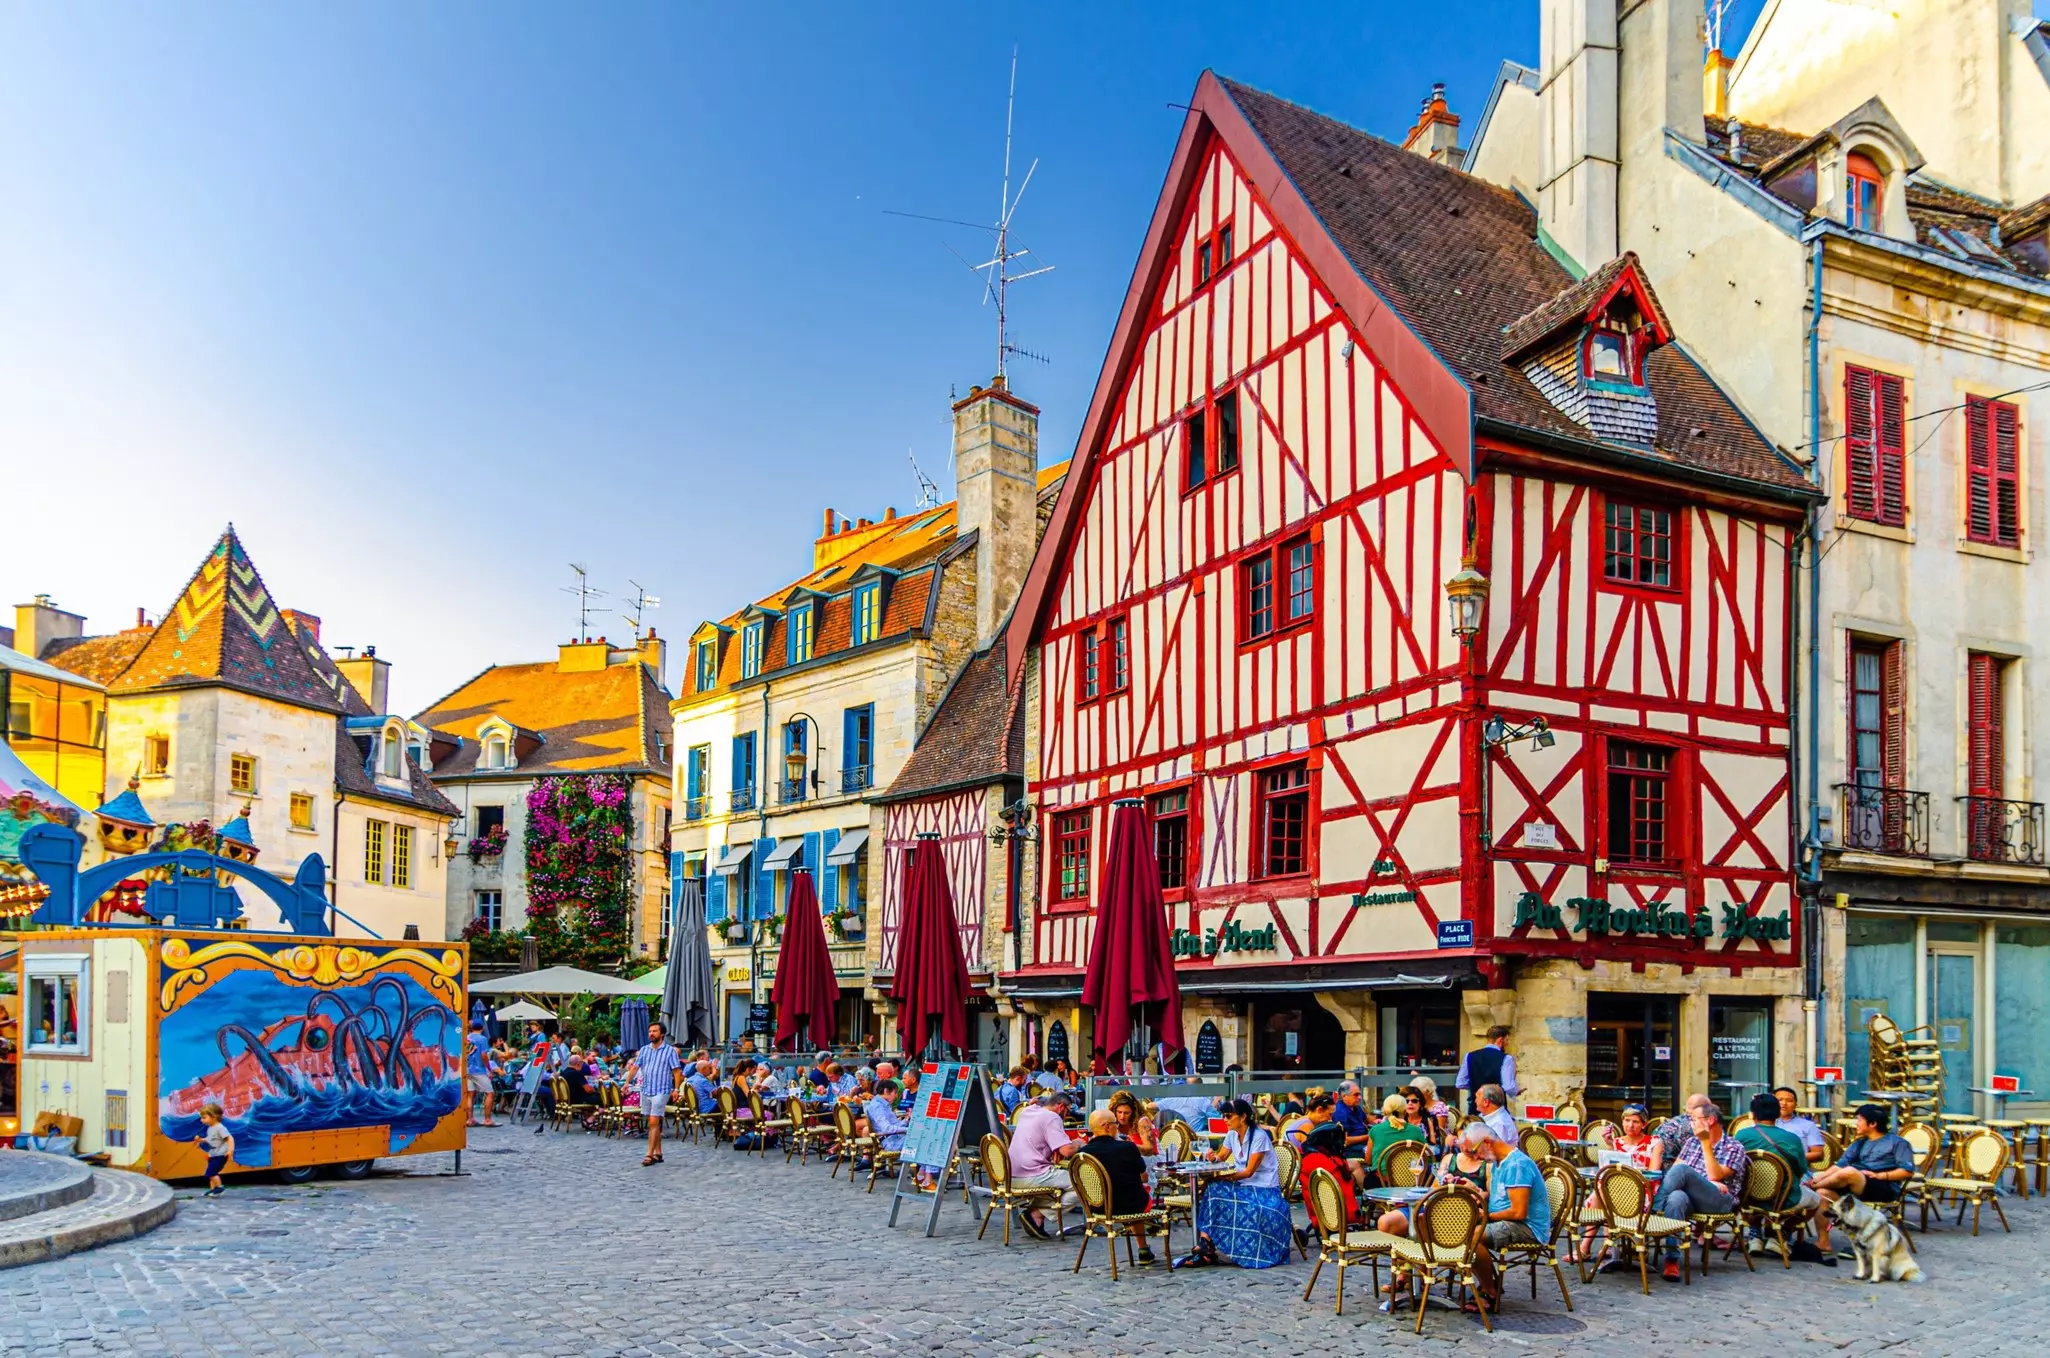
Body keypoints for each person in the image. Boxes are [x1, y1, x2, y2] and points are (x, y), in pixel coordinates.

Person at [1187, 1098, 1291, 1269]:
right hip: (1244, 1185)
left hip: (1263, 1188)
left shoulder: (1259, 1136)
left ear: (1242, 1117)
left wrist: (1223, 1177)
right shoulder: (1232, 1135)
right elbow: (1221, 1157)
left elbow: (1249, 1171)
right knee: (1212, 1188)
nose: (1225, 1120)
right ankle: (1206, 1242)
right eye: (1224, 1116)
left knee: (1214, 1187)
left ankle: (1207, 1245)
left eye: (1228, 1116)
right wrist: (1213, 1158)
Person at [1652, 1098, 1747, 1281]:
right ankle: (1672, 1261)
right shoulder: (1691, 1142)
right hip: (1692, 1197)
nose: (1690, 1123)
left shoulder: (1734, 1147)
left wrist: (1705, 1143)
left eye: (1694, 1119)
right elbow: (1674, 1175)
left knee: (1682, 1170)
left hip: (1719, 1201)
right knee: (1677, 1198)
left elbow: (1714, 1176)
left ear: (1709, 1120)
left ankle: (1654, 1209)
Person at [1812, 1103, 1917, 1263]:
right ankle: (1823, 1242)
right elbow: (1839, 1165)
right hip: (1854, 1183)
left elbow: (1907, 1171)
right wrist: (1817, 1180)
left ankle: (1812, 1188)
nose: (1856, 1123)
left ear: (1873, 1124)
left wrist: (1881, 1175)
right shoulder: (1860, 1143)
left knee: (1850, 1172)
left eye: (1859, 1120)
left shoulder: (1898, 1143)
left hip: (1883, 1186)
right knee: (1822, 1194)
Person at [1463, 1123, 1550, 1310]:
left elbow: (1518, 1212)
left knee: (1471, 1237)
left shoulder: (1517, 1164)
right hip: (1506, 1220)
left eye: (1474, 1152)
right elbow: (1500, 1196)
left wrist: (1485, 1215)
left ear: (1486, 1142)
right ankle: (1489, 1281)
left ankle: (1489, 1289)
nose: (1475, 1158)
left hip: (1527, 1226)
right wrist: (1479, 1193)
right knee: (1457, 1230)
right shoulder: (1497, 1162)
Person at [1735, 1092, 1817, 1250]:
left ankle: (1755, 1235)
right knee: (1816, 1201)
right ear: (1778, 1113)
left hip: (1748, 1198)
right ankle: (1781, 1234)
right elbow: (1800, 1170)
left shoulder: (1741, 1135)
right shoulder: (1792, 1138)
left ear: (1752, 1114)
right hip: (1783, 1199)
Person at [1079, 1107, 1158, 1263]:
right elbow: (1143, 1177)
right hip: (1128, 1206)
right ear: (1107, 1126)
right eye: (1115, 1123)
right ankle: (1143, 1247)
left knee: (1131, 1192)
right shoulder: (1127, 1148)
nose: (1118, 1126)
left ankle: (1143, 1249)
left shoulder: (1082, 1153)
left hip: (1097, 1208)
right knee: (1136, 1193)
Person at [1008, 1092, 1082, 1239]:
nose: (1067, 1115)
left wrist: (1052, 1148)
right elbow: (1067, 1151)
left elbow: (1033, 1103)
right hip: (1032, 1174)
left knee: (1060, 1179)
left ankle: (1033, 1212)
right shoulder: (1052, 1117)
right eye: (1068, 1110)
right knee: (1083, 1182)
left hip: (1011, 1173)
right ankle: (1036, 1214)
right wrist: (1080, 1142)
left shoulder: (1028, 1111)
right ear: (1061, 1106)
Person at [1295, 1093, 1360, 1228]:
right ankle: (1361, 1203)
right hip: (1306, 1169)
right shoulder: (1307, 1127)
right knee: (1352, 1166)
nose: (1331, 1119)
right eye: (1329, 1114)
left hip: (1304, 1167)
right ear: (1319, 1110)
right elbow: (1312, 1151)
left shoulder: (1303, 1120)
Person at [634, 1022, 682, 1166]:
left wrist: (677, 1089)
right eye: (650, 1031)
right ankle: (658, 1152)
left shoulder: (670, 1051)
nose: (651, 1034)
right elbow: (636, 1067)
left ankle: (649, 1154)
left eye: (654, 1031)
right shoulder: (644, 1050)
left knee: (654, 1121)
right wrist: (626, 1083)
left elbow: (676, 1071)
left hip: (662, 1090)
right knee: (654, 1121)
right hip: (647, 1089)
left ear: (661, 1034)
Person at [1456, 1025, 1518, 1113]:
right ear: (1500, 1040)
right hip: (1496, 1110)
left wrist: (1475, 1085)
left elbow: (1460, 1083)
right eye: (1507, 1040)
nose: (1508, 1043)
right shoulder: (1506, 1058)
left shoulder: (1469, 1056)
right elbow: (1508, 1087)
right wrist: (1515, 1091)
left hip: (1475, 1110)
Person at [1367, 1093, 1426, 1179]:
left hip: (1382, 1182)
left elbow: (1368, 1160)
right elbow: (1425, 1157)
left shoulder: (1375, 1130)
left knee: (1367, 1179)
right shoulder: (1416, 1131)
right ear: (1405, 1111)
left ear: (1385, 1111)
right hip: (1410, 1181)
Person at [1774, 1086, 1828, 1164]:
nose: (1784, 1103)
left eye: (1789, 1100)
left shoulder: (1808, 1125)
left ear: (1796, 1105)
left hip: (1797, 1171)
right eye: (1780, 1100)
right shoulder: (1764, 1124)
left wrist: (1789, 1159)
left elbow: (1819, 1154)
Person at [464, 1022, 498, 1127]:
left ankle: (470, 1119)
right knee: (490, 1093)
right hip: (478, 1070)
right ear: (483, 1028)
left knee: (470, 1095)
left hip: (467, 1069)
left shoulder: (467, 1037)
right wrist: (489, 1068)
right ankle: (487, 1119)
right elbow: (484, 1055)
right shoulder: (482, 1039)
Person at [1332, 1081, 1374, 1164]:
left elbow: (1366, 1119)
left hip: (1363, 1143)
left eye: (1360, 1094)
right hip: (1350, 1149)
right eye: (1356, 1095)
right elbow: (1345, 1140)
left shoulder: (1355, 1107)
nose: (1360, 1097)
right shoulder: (1340, 1113)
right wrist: (1369, 1137)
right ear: (1344, 1096)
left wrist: (1378, 1121)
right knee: (1378, 1152)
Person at [198, 1103, 234, 1198]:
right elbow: (211, 1140)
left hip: (221, 1155)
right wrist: (201, 1140)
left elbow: (229, 1138)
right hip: (213, 1154)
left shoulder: (220, 1128)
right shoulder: (211, 1128)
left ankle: (219, 1187)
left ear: (213, 1117)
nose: (202, 1120)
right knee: (211, 1173)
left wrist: (230, 1150)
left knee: (211, 1172)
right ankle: (213, 1190)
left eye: (204, 1117)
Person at [1108, 1089, 1159, 1155]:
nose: (1122, 1117)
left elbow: (1150, 1150)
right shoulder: (1113, 1121)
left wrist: (1129, 1146)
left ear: (1133, 1112)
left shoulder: (1143, 1122)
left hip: (1152, 1159)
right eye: (1119, 1112)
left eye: (1126, 1113)